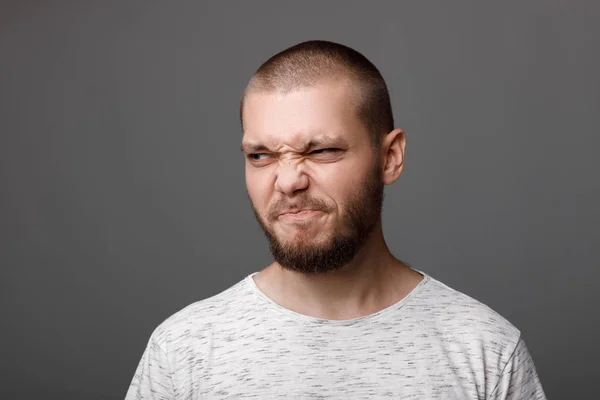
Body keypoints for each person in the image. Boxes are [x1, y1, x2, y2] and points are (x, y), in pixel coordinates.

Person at [125, 40, 546, 399]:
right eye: (261, 156)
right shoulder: (182, 351)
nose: (288, 181)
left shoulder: (486, 350)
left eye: (322, 151)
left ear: (390, 157)